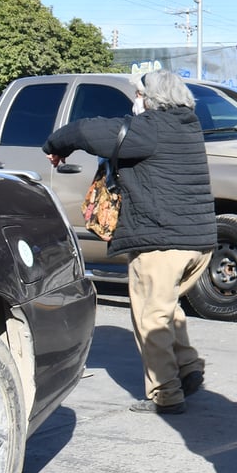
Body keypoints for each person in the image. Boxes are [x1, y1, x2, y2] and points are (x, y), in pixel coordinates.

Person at [43, 69, 217, 415]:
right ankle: (188, 366)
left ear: (152, 100)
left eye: (138, 96)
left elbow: (85, 130)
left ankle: (166, 393)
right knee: (166, 306)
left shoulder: (149, 129)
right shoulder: (189, 127)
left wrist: (54, 146)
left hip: (161, 243)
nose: (135, 102)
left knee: (150, 314)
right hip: (199, 244)